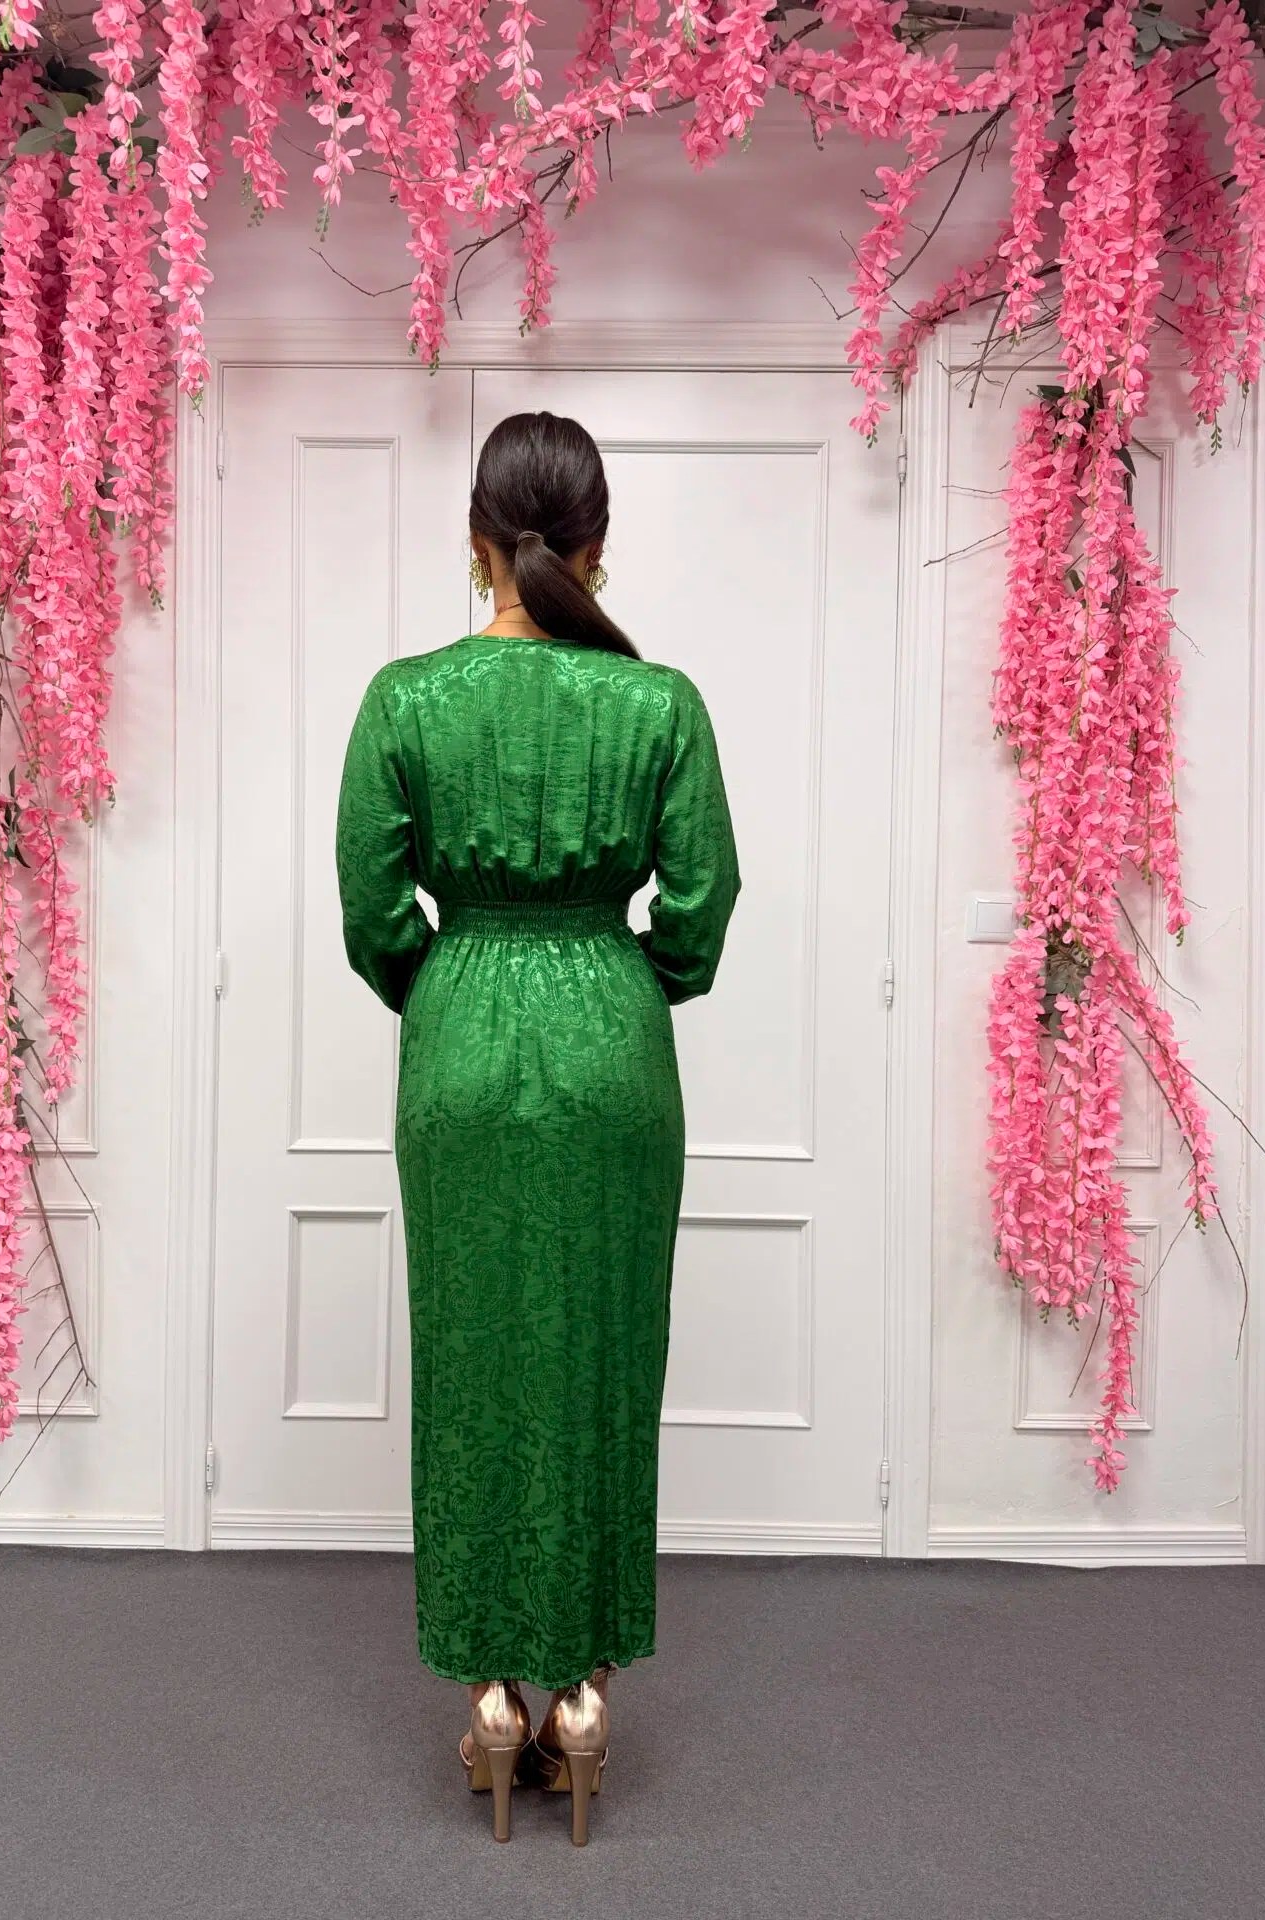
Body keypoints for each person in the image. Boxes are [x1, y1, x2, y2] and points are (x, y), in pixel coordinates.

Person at [334, 410, 741, 1846]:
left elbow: (373, 913)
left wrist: (449, 989)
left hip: (460, 1040)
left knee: (474, 1358)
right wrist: (625, 986)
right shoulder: (661, 705)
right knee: (604, 1357)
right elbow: (700, 912)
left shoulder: (405, 700)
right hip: (613, 1046)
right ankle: (584, 1700)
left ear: (476, 542)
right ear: (597, 547)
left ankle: (494, 1695)